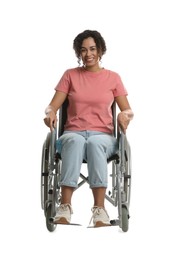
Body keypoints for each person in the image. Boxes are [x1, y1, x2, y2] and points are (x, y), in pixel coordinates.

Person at [44, 29, 134, 227]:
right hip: (72, 133)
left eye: (93, 49)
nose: (88, 54)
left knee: (94, 142)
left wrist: (123, 115)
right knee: (75, 140)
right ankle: (64, 207)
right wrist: (49, 112)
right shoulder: (70, 75)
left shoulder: (113, 78)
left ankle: (100, 210)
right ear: (79, 53)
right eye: (83, 50)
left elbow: (128, 110)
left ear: (100, 50)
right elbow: (53, 105)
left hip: (103, 136)